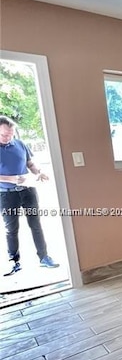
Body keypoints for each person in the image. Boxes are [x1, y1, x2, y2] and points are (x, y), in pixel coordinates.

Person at [0, 115, 60, 276]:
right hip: (6, 195)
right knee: (11, 229)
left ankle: (44, 257)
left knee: (36, 224)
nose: (8, 138)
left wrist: (39, 172)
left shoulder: (20, 144)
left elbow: (30, 163)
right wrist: (10, 179)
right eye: (4, 134)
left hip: (28, 191)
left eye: (11, 134)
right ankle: (14, 262)